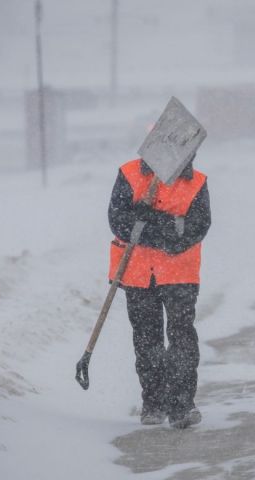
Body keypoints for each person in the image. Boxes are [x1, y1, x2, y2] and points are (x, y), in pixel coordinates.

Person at [107, 155, 211, 429]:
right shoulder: (129, 174)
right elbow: (119, 221)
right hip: (139, 274)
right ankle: (153, 403)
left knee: (181, 337)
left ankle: (182, 405)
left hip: (180, 274)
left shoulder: (197, 182)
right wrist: (168, 227)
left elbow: (196, 228)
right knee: (146, 338)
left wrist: (149, 225)